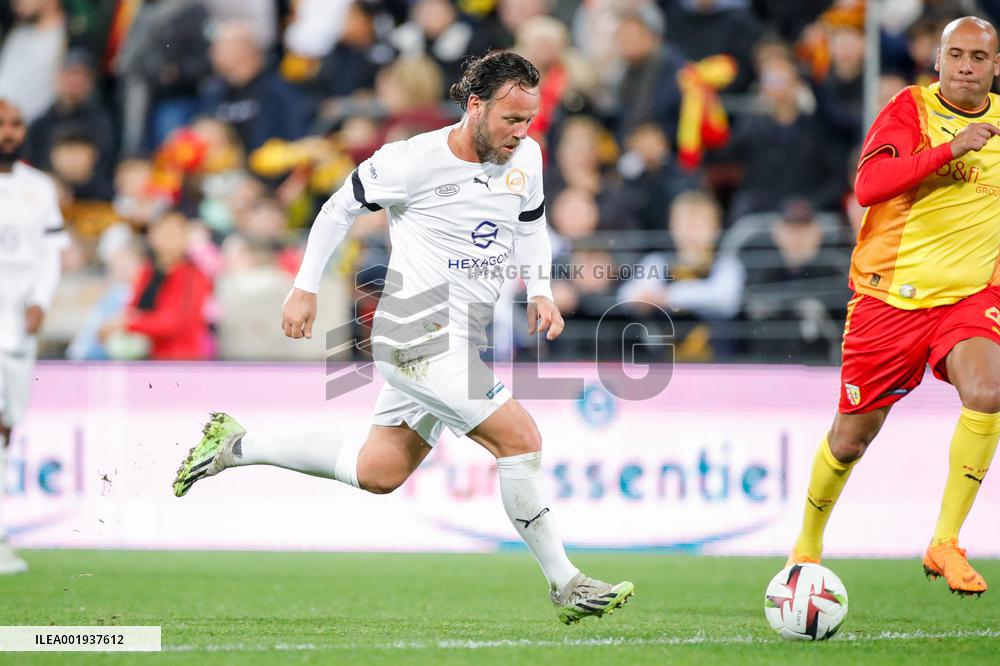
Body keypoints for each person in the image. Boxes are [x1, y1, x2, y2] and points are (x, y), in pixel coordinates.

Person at [172, 51, 634, 624]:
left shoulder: (529, 158)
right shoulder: (410, 161)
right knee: (520, 438)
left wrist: (540, 290)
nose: (522, 132)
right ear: (475, 106)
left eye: (529, 119)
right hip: (415, 330)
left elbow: (532, 227)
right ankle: (566, 583)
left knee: (380, 470)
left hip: (461, 338)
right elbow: (338, 208)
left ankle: (236, 447)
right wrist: (304, 287)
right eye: (511, 119)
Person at [786, 16, 1000, 597]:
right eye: (955, 55)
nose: (965, 66)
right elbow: (870, 186)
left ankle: (946, 541)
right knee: (851, 439)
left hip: (968, 296)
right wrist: (950, 150)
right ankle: (806, 545)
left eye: (978, 57)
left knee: (988, 391)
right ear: (937, 60)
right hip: (889, 299)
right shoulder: (910, 109)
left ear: (995, 66)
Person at [0, 99, 68, 574]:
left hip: (16, 324)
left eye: (15, 123)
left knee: (7, 428)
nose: (8, 131)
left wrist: (41, 300)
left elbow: (50, 255)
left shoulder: (38, 187)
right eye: (1, 123)